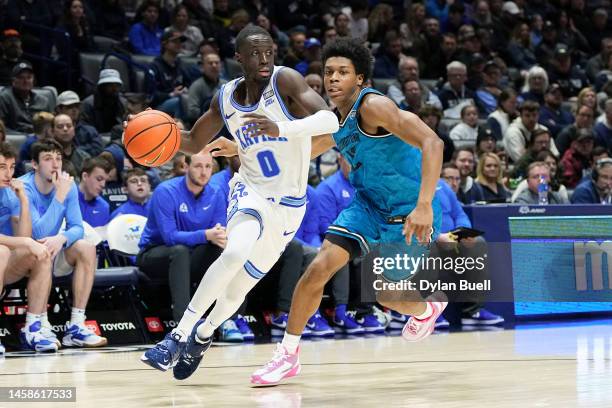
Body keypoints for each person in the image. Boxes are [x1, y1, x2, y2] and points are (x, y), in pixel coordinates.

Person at [138, 25, 340, 376]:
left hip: (290, 205)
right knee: (233, 251)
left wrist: (282, 129)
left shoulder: (286, 81)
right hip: (250, 190)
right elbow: (190, 140)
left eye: (269, 52)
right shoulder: (226, 97)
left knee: (237, 289)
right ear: (239, 58)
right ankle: (177, 335)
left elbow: (329, 119)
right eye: (255, 53)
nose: (264, 59)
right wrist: (147, 132)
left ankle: (203, 333)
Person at [251, 38, 446, 385]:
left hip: (410, 212)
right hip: (368, 205)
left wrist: (424, 205)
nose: (333, 79)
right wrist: (240, 146)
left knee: (388, 295)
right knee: (318, 268)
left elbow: (433, 142)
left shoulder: (374, 107)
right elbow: (295, 152)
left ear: (360, 79)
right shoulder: (333, 121)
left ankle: (427, 309)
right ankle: (288, 354)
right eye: (328, 72)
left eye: (343, 72)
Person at [20, 140, 107, 347]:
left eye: (58, 159)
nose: (55, 164)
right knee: (43, 248)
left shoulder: (68, 187)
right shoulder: (25, 187)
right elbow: (38, 232)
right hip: (24, 256)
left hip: (51, 250)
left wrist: (62, 238)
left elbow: (77, 226)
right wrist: (59, 195)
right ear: (34, 164)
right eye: (48, 159)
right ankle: (41, 324)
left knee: (86, 247)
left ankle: (76, 326)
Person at [137, 152, 227, 322]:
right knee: (179, 251)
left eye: (208, 167)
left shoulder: (216, 193)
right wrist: (206, 235)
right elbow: (170, 237)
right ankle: (184, 322)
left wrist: (218, 237)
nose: (204, 172)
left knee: (222, 251)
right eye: (198, 166)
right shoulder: (166, 191)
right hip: (154, 254)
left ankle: (226, 320)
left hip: (191, 255)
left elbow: (219, 232)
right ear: (186, 167)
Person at [0, 142, 55, 353]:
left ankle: (33, 329)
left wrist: (23, 199)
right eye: (2, 167)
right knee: (3, 250)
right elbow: (22, 241)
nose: (8, 173)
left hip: (5, 264)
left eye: (12, 167)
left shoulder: (12, 192)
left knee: (41, 252)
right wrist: (24, 242)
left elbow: (24, 236)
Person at [0, 61, 54, 133]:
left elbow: (51, 124)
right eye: (21, 77)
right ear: (13, 81)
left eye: (29, 77)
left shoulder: (43, 101)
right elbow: (2, 126)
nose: (25, 81)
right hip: (16, 139)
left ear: (33, 80)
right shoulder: (5, 98)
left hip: (40, 138)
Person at [55, 91, 103, 156]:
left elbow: (98, 150)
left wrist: (73, 150)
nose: (74, 110)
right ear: (59, 109)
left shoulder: (89, 130)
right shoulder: (52, 129)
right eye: (69, 107)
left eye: (77, 106)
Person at [80, 69, 127, 134]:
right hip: (96, 137)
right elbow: (84, 128)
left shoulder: (123, 102)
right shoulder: (88, 104)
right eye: (110, 85)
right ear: (102, 86)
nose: (114, 89)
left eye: (117, 85)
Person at [186, 52, 226, 125]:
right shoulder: (196, 86)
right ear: (202, 67)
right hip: (204, 124)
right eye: (210, 63)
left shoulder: (226, 85)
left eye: (217, 63)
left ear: (221, 66)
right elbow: (192, 112)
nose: (214, 65)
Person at [51, 114, 91, 178]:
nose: (65, 129)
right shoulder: (47, 157)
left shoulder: (84, 157)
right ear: (52, 132)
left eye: (69, 126)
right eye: (60, 126)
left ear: (74, 130)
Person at [78, 157, 111, 228]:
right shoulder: (66, 199)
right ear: (85, 176)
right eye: (99, 179)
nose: (103, 185)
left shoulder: (104, 207)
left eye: (106, 181)